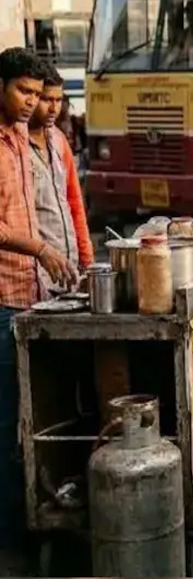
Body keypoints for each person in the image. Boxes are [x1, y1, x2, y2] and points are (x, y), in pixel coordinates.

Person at [0, 48, 74, 549]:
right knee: (8, 418)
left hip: (33, 293)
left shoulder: (25, 140)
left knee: (36, 412)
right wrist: (40, 248)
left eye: (37, 93)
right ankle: (12, 532)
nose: (31, 102)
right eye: (23, 91)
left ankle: (30, 510)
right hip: (2, 295)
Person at [28, 66, 91, 287]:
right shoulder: (15, 146)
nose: (54, 108)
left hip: (69, 268)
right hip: (36, 271)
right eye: (46, 99)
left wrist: (86, 258)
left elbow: (74, 202)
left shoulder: (59, 140)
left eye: (59, 100)